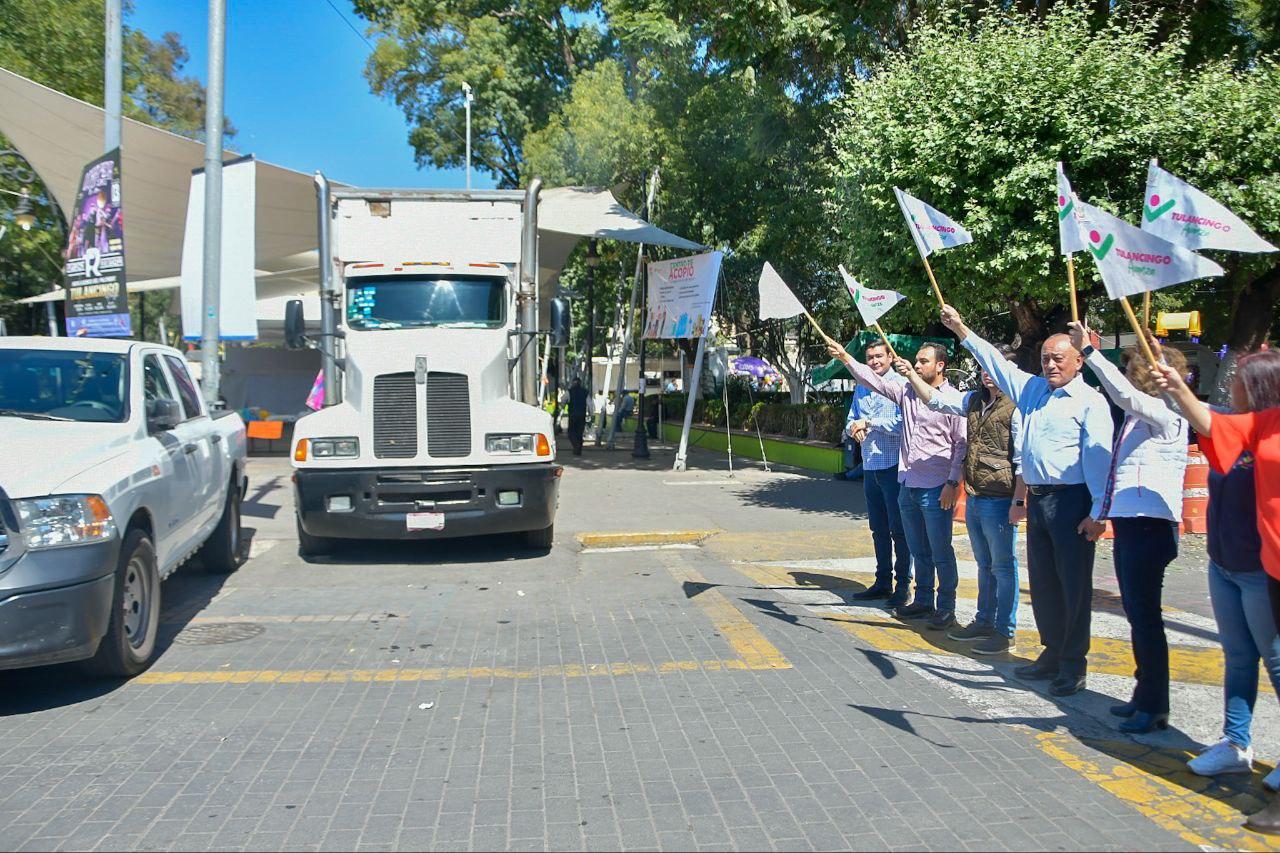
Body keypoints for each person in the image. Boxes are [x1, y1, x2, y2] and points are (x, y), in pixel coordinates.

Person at [937, 305, 1113, 698]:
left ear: (1079, 361)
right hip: (1040, 499)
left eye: (1059, 358)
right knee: (1046, 584)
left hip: (1073, 500)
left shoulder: (1090, 401)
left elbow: (1099, 459)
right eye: (1046, 358)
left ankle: (1073, 663)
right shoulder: (1033, 390)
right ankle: (1052, 652)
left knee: (1073, 586)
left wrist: (1099, 512)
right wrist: (963, 329)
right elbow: (996, 364)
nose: (1050, 365)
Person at [1155, 350, 1280, 835]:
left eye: (1240, 380)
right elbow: (1208, 421)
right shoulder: (1252, 426)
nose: (1231, 386)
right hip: (1235, 565)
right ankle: (1235, 744)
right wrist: (1176, 386)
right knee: (1238, 658)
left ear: (1262, 385)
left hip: (1260, 570)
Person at [1069, 321, 1189, 733]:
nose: (1129, 375)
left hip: (1150, 527)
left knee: (1146, 616)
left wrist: (1089, 353)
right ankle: (1143, 694)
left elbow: (1123, 394)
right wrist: (1102, 513)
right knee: (1138, 615)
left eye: (1134, 368)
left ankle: (1155, 704)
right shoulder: (1141, 420)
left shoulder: (1167, 414)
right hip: (1131, 524)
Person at [827, 339, 967, 629]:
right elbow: (872, 380)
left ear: (940, 366)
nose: (917, 365)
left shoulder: (953, 399)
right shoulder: (905, 393)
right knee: (919, 549)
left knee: (940, 550)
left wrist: (953, 482)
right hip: (908, 484)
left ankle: (947, 607)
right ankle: (923, 601)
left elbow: (961, 445)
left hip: (936, 486)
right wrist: (845, 358)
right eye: (916, 361)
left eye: (924, 361)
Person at [894, 345, 1025, 656]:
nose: (987, 373)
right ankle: (984, 621)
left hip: (1001, 496)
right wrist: (912, 374)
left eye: (995, 368)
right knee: (985, 565)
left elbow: (1021, 458)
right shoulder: (975, 401)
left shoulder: (1017, 406)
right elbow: (939, 400)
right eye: (984, 366)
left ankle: (1005, 630)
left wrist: (1019, 499)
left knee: (1004, 567)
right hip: (978, 493)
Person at [844, 341, 912, 606]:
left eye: (879, 356)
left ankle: (903, 585)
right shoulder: (862, 385)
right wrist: (854, 428)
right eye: (870, 357)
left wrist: (869, 423)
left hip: (894, 465)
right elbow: (851, 417)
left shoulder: (901, 384)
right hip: (870, 465)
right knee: (878, 529)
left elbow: (903, 422)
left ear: (890, 356)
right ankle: (882, 581)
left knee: (899, 529)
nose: (874, 361)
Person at [566, 378, 591, 456]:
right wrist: (591, 414)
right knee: (579, 432)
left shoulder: (569, 392)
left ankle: (576, 446)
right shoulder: (585, 392)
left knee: (571, 432)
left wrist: (564, 405)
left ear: (573, 383)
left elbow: (563, 400)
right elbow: (590, 404)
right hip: (582, 414)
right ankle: (578, 448)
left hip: (572, 414)